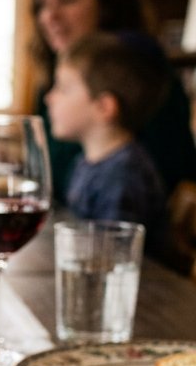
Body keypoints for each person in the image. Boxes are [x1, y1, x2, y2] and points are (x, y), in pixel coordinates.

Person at [31, 0, 196, 204]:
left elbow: (162, 182)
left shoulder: (145, 77)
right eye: (42, 4)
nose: (49, 16)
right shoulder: (51, 86)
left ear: (106, 3)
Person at [45, 32, 169, 256]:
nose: (49, 98)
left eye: (63, 88)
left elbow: (111, 257)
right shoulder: (88, 161)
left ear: (104, 107)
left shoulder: (123, 176)